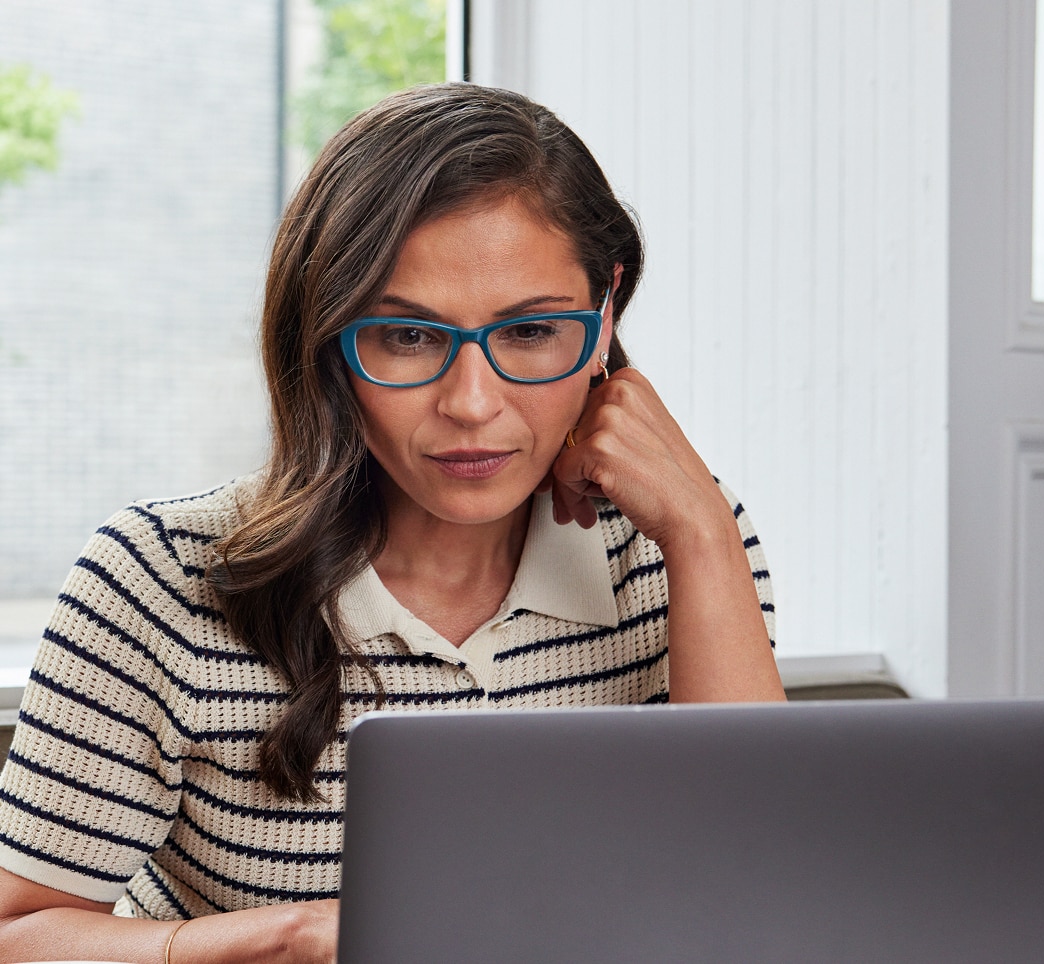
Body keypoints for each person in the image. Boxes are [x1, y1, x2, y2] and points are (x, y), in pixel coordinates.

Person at [0, 83, 782, 962]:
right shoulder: (154, 580)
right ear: (328, 336)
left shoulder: (679, 551)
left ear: (604, 314)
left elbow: (759, 903)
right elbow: (17, 933)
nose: (473, 404)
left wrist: (704, 536)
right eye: (407, 338)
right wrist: (282, 939)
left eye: (530, 331)